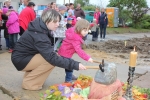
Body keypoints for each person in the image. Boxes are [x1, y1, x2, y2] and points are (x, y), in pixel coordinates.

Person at [11, 9, 86, 91]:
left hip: (24, 57)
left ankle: (30, 77)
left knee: (52, 57)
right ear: (47, 21)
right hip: (20, 59)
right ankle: (30, 84)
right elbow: (52, 57)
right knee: (50, 61)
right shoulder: (39, 34)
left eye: (58, 21)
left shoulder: (40, 28)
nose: (57, 24)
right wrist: (75, 64)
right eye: (55, 22)